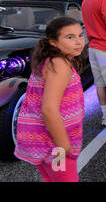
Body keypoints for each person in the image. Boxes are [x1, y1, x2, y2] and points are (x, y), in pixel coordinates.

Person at [14, 17, 86, 182]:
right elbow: (49, 109)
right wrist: (63, 145)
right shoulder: (59, 64)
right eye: (70, 37)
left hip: (43, 141)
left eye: (80, 35)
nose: (79, 42)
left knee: (51, 178)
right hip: (55, 146)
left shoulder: (50, 60)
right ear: (54, 42)